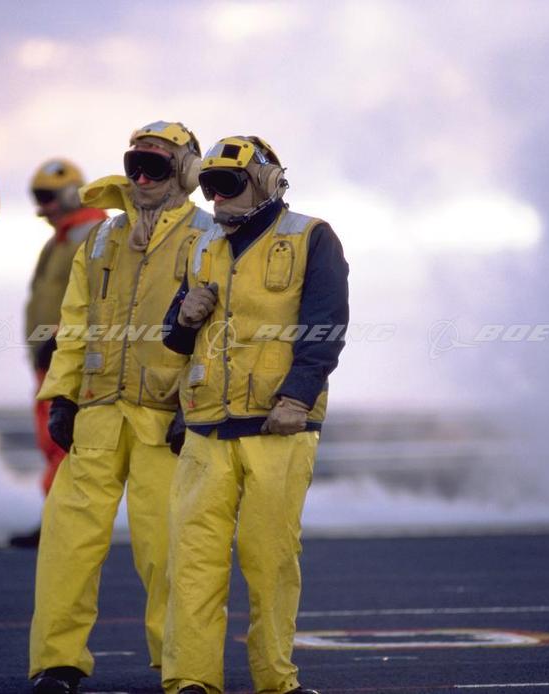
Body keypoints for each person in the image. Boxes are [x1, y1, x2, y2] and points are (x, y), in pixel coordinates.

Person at [29, 121, 213, 694]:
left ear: (186, 173)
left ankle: (184, 669)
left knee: (168, 549)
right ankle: (57, 662)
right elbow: (75, 323)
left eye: (155, 166)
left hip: (165, 419)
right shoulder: (103, 239)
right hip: (97, 413)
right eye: (135, 164)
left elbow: (221, 331)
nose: (141, 177)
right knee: (67, 543)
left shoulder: (209, 238)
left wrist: (194, 406)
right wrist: (61, 395)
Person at [160, 136, 349, 694]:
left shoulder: (312, 237)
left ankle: (276, 682)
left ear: (265, 182)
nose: (216, 198)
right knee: (193, 561)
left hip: (278, 426)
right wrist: (184, 316)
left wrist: (297, 399)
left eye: (228, 184)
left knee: (270, 562)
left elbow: (326, 326)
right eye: (209, 186)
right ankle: (190, 680)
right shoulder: (202, 245)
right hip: (206, 427)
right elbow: (175, 338)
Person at [9, 159, 108, 548]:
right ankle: (56, 518)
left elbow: (99, 297)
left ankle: (62, 522)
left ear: (70, 195)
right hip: (51, 359)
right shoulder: (61, 239)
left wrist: (64, 343)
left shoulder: (91, 233)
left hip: (67, 360)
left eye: (47, 196)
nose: (42, 205)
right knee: (52, 441)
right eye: (38, 196)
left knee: (63, 440)